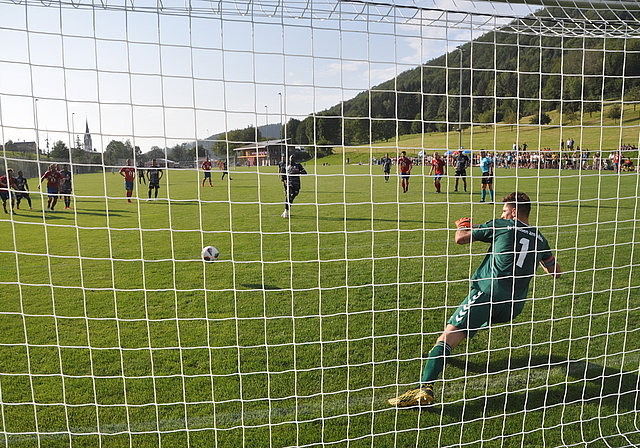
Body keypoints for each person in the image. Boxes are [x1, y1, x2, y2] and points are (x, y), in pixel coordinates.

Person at [389, 192, 562, 407]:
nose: (502, 214)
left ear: (515, 211)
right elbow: (555, 271)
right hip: (513, 307)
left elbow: (461, 238)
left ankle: (424, 389)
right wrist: (543, 261)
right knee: (468, 326)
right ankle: (456, 344)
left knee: (445, 339)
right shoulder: (540, 238)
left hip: (487, 293)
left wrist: (463, 224)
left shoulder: (502, 225)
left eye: (505, 210)